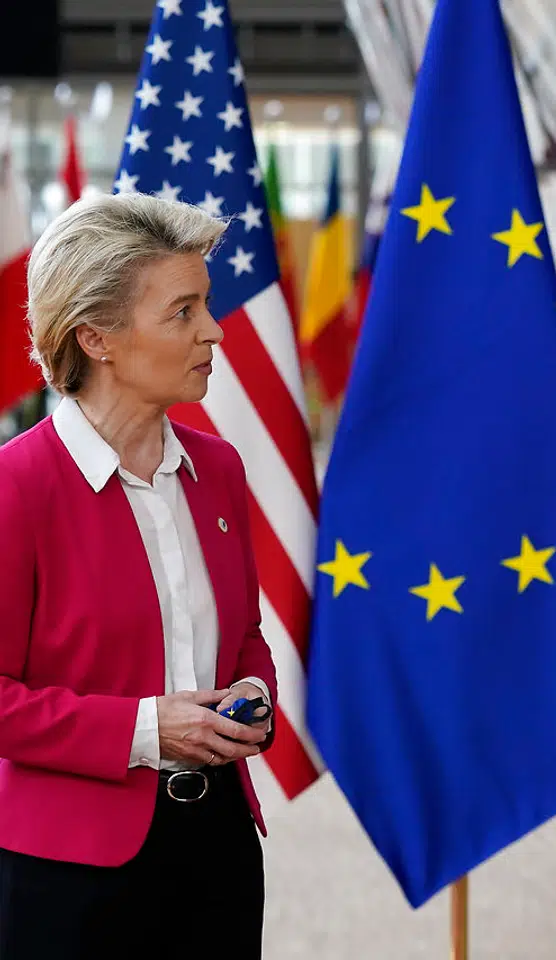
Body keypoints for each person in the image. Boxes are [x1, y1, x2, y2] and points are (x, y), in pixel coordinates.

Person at [0, 192, 277, 957]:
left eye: (206, 306)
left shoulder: (217, 469)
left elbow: (245, 636)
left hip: (219, 849)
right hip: (67, 872)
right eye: (182, 312)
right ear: (97, 338)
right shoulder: (15, 489)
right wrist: (149, 729)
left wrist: (252, 694)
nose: (214, 331)